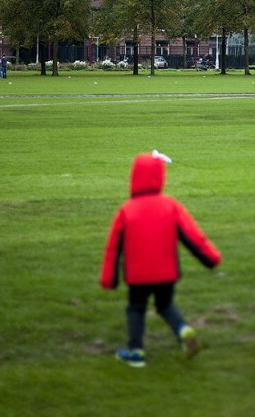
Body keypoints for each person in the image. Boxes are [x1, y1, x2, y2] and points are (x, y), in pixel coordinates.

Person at [99, 151, 221, 368]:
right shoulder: (170, 206)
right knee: (165, 305)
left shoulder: (126, 210)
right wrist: (210, 258)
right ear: (160, 176)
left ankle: (136, 352)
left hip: (137, 275)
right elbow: (192, 236)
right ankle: (183, 330)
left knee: (136, 308)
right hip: (167, 273)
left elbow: (113, 248)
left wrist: (109, 279)